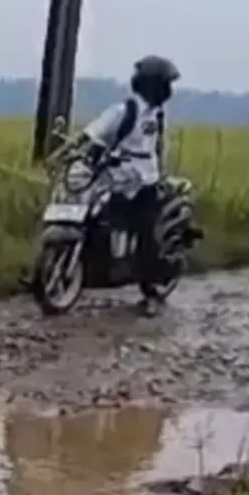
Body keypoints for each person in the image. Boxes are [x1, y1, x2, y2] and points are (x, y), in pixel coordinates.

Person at [79, 55, 181, 316]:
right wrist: (88, 154)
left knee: (146, 234)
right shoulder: (124, 111)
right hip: (116, 178)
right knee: (93, 221)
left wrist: (160, 175)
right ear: (152, 86)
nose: (169, 91)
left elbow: (157, 148)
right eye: (165, 85)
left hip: (145, 182)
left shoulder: (156, 116)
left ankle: (151, 293)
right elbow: (92, 135)